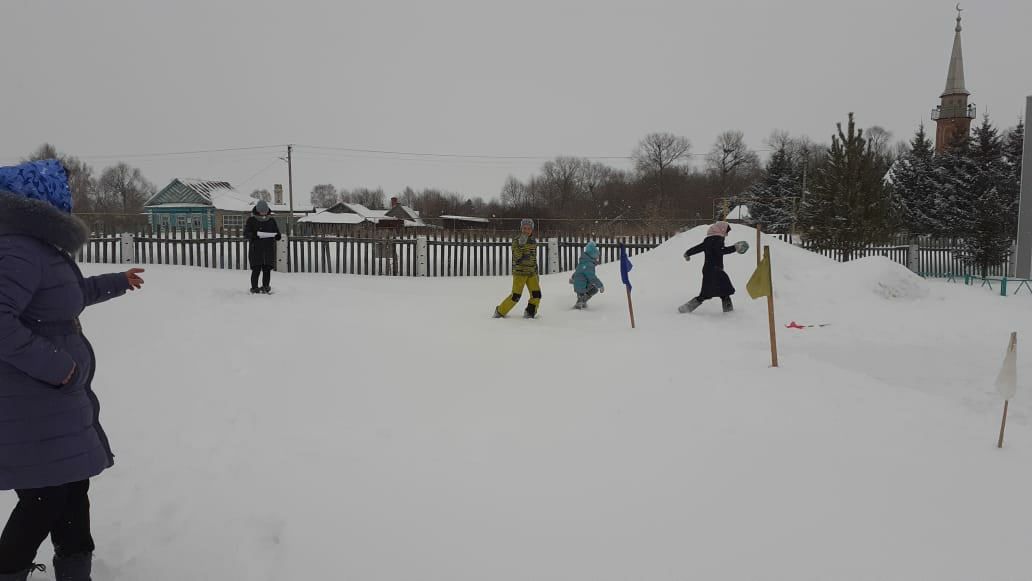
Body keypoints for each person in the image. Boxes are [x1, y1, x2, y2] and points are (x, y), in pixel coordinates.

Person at [0, 160, 144, 581]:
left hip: (52, 400)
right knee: (45, 496)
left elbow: (69, 294)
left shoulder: (37, 249)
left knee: (71, 487)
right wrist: (59, 368)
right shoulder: (18, 249)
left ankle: (76, 570)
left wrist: (119, 280)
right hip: (31, 399)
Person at [679, 221, 746, 314]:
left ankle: (686, 308)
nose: (726, 234)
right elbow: (721, 251)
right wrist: (735, 248)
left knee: (708, 293)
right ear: (721, 230)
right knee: (724, 291)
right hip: (716, 270)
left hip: (708, 270)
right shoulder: (717, 239)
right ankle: (729, 313)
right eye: (726, 231)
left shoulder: (708, 240)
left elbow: (699, 247)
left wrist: (688, 253)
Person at [494, 218, 541, 319]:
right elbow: (517, 256)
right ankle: (500, 311)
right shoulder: (516, 240)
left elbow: (533, 258)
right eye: (524, 228)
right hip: (520, 273)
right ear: (521, 228)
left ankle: (530, 313)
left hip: (532, 273)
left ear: (532, 229)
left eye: (529, 228)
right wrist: (521, 244)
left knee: (536, 294)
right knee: (515, 296)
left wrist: (536, 272)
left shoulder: (533, 241)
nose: (526, 230)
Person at [243, 200, 281, 294]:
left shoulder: (271, 220)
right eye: (262, 211)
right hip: (256, 249)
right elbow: (246, 234)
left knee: (267, 270)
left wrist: (277, 236)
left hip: (268, 249)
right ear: (257, 210)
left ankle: (265, 287)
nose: (263, 213)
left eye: (265, 211)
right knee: (256, 269)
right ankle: (254, 288)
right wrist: (255, 235)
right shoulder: (251, 220)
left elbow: (277, 233)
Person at [570, 241, 604, 309]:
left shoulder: (583, 261)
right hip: (582, 286)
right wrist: (600, 285)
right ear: (592, 255)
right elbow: (592, 278)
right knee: (594, 289)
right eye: (596, 257)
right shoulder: (589, 265)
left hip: (579, 285)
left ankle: (581, 301)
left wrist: (573, 278)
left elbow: (578, 271)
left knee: (586, 292)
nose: (597, 259)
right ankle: (580, 303)